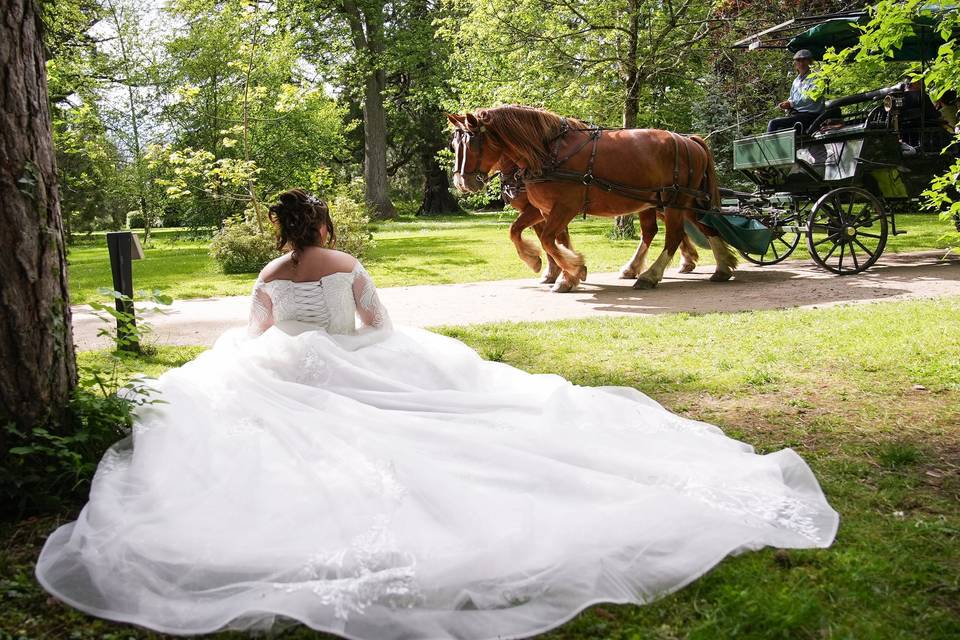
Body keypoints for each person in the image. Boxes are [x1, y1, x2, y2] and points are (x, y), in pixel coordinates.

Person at [35, 189, 839, 639]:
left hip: (288, 369)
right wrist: (349, 341)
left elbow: (257, 336)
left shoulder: (271, 272)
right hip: (357, 363)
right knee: (480, 404)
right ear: (321, 224)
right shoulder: (346, 263)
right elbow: (377, 329)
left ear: (281, 231)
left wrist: (284, 345)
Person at [767, 50, 825, 133]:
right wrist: (786, 104)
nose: (801, 63)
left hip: (812, 116)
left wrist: (791, 103)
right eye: (798, 61)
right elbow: (791, 98)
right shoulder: (796, 81)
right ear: (795, 64)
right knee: (776, 123)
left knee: (773, 124)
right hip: (797, 115)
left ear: (810, 62)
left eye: (804, 60)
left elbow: (812, 97)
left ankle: (769, 146)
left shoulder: (817, 77)